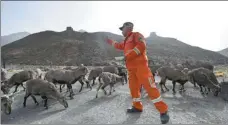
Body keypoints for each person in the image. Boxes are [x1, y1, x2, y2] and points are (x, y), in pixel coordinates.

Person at [105, 22, 170, 124]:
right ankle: (137, 107)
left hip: (141, 67)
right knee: (133, 89)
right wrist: (109, 41)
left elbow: (141, 46)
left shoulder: (136, 35)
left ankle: (163, 111)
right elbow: (118, 45)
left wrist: (128, 56)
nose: (121, 31)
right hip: (131, 69)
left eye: (123, 28)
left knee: (150, 87)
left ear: (128, 27)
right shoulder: (126, 41)